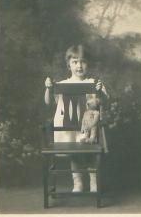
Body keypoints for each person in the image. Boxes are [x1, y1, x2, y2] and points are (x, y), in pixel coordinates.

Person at [44, 44, 109, 192]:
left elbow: (104, 101)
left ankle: (94, 182)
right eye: (75, 62)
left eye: (83, 61)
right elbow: (48, 101)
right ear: (69, 65)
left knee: (90, 154)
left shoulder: (93, 83)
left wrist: (99, 93)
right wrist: (49, 88)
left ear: (88, 64)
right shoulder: (62, 84)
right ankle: (78, 183)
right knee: (74, 155)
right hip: (69, 129)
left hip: (88, 129)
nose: (79, 66)